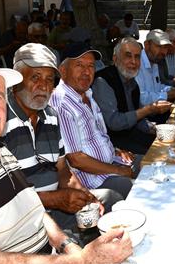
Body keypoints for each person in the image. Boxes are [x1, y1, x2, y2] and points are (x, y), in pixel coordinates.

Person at [0, 57, 132, 264]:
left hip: (47, 260)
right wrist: (82, 261)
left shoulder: (0, 151)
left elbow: (34, 210)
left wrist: (67, 246)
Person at [2, 43, 122, 235]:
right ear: (16, 79)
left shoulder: (50, 115)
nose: (43, 85)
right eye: (35, 77)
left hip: (54, 209)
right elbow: (2, 197)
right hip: (22, 222)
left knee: (111, 203)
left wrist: (85, 196)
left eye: (50, 79)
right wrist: (54, 199)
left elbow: (63, 170)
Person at [50, 45, 136, 199]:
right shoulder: (62, 103)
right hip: (94, 181)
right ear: (62, 70)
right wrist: (118, 170)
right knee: (142, 188)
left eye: (90, 66)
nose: (86, 71)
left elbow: (96, 136)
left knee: (152, 163)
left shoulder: (87, 94)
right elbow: (75, 159)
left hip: (112, 165)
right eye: (79, 65)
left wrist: (115, 152)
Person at [93, 37, 171, 154]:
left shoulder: (132, 82)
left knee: (167, 145)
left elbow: (136, 118)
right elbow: (114, 123)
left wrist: (154, 129)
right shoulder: (103, 80)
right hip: (112, 144)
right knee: (157, 152)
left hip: (130, 135)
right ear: (115, 59)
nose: (133, 62)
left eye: (137, 57)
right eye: (128, 56)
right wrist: (148, 109)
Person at [134, 29, 175, 110]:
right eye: (159, 46)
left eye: (166, 48)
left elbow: (158, 87)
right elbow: (141, 98)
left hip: (155, 111)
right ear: (147, 45)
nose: (163, 52)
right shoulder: (136, 63)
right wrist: (170, 94)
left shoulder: (154, 61)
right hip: (144, 116)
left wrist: (173, 89)